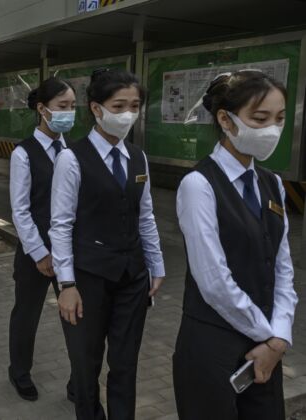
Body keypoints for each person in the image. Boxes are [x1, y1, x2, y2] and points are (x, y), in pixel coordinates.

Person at [173, 70, 297, 420]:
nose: (272, 129)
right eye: (260, 119)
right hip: (214, 342)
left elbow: (283, 266)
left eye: (279, 119)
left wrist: (280, 336)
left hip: (266, 341)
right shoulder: (198, 185)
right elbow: (213, 281)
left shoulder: (271, 182)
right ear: (225, 119)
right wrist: (269, 337)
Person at [49, 68, 165, 420]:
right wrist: (66, 284)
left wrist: (156, 266)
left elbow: (145, 215)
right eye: (119, 105)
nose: (128, 113)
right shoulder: (72, 158)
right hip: (88, 278)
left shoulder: (138, 157)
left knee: (125, 362)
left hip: (132, 276)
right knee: (86, 364)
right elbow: (60, 223)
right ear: (96, 108)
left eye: (135, 105)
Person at [8, 77, 78, 402]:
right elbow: (20, 210)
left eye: (72, 107)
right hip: (35, 251)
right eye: (62, 107)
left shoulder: (72, 151)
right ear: (42, 109)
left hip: (70, 251)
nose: (69, 113)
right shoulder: (23, 153)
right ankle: (19, 372)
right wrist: (39, 252)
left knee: (76, 315)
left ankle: (80, 380)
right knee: (27, 313)